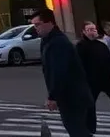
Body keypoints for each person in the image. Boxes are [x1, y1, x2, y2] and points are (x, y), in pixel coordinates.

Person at [33, 7, 94, 137]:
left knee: (77, 130)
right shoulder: (47, 41)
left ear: (50, 22)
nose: (35, 28)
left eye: (38, 24)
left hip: (72, 96)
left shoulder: (58, 42)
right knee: (76, 129)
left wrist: (53, 96)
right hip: (70, 96)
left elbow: (59, 72)